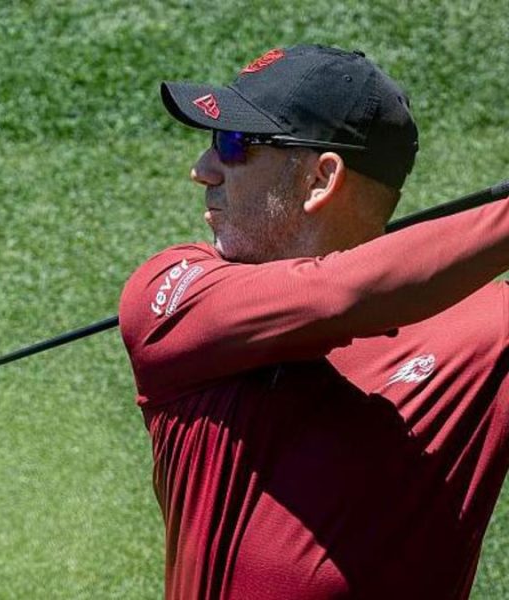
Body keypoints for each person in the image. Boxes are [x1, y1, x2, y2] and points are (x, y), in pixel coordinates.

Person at [119, 44, 509, 599]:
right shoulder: (171, 296)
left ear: (320, 179)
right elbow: (338, 294)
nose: (202, 170)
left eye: (234, 143)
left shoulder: (490, 327)